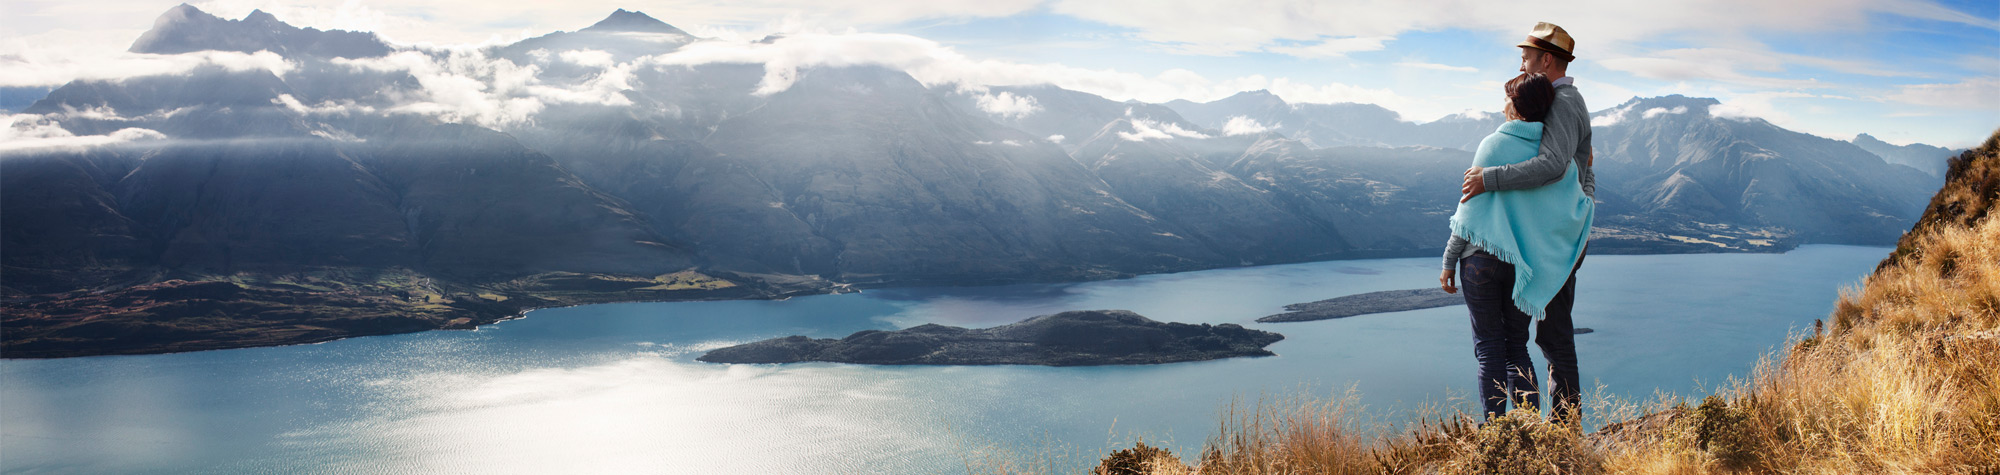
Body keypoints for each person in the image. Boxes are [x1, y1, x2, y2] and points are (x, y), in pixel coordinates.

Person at [1439, 22, 1596, 424]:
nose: (1522, 62)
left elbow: (1552, 166)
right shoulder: (1558, 104)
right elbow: (1580, 166)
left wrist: (1487, 177)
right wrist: (1586, 197)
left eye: (1526, 56)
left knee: (1547, 338)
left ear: (1546, 60)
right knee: (1530, 342)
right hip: (1542, 241)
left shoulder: (1561, 102)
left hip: (1547, 242)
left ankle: (1553, 433)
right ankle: (1543, 428)